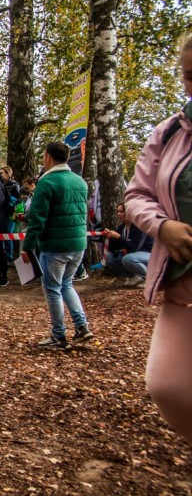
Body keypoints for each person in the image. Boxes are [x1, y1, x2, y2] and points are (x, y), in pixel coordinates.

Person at [124, 35, 192, 443]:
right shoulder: (168, 134)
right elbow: (136, 194)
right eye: (189, 77)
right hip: (182, 283)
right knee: (167, 386)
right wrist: (162, 225)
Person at [20, 141, 94, 351]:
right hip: (78, 242)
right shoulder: (80, 182)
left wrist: (27, 246)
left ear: (48, 157)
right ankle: (81, 325)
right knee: (67, 284)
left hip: (55, 244)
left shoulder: (47, 182)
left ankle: (58, 335)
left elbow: (38, 218)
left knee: (52, 289)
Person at [103, 202, 152, 287]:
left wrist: (118, 237)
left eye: (122, 211)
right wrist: (111, 237)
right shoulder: (122, 228)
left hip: (149, 254)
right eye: (117, 211)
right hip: (135, 255)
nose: (118, 214)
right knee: (110, 258)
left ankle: (150, 279)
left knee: (128, 258)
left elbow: (134, 247)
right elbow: (112, 249)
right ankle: (135, 276)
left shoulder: (139, 227)